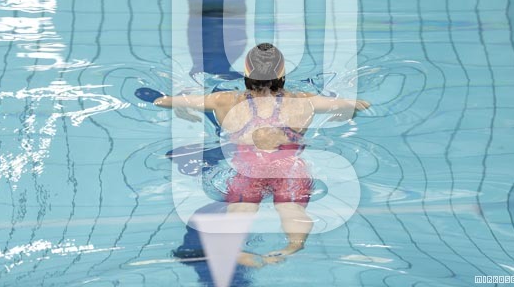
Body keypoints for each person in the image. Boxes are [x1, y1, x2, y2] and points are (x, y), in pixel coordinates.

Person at [139, 43, 370, 266]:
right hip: (289, 169)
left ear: (246, 74)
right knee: (291, 209)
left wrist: (180, 107)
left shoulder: (225, 100)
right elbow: (360, 104)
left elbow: (163, 102)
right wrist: (346, 114)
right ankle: (293, 245)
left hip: (248, 170)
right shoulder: (303, 101)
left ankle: (235, 250)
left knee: (240, 210)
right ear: (282, 75)